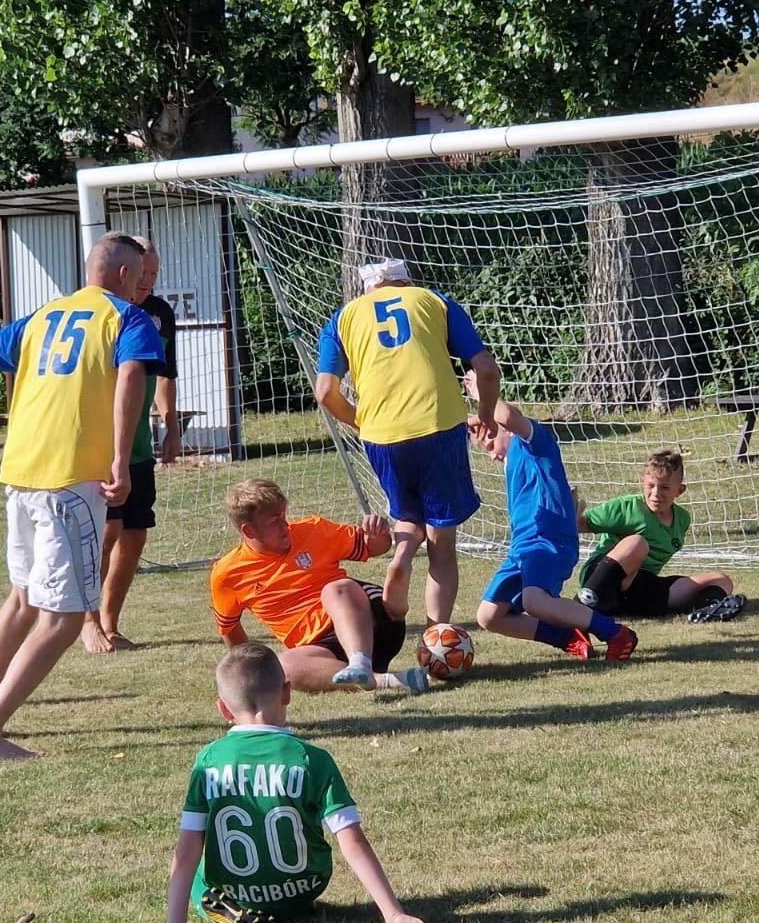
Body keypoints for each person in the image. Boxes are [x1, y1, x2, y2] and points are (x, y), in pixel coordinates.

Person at [0, 232, 165, 761]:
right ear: (125, 275)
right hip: (70, 482)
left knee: (21, 601)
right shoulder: (127, 320)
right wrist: (120, 458)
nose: (143, 286)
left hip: (21, 477)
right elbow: (131, 377)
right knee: (63, 619)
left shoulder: (42, 317)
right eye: (141, 276)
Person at [161, 642, 431, 923]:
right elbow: (352, 841)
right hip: (301, 889)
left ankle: (232, 912)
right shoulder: (312, 759)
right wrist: (393, 915)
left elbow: (187, 850)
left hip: (237, 889)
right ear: (287, 692)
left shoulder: (208, 761)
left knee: (199, 875)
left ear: (224, 709)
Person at [314, 257, 502, 628]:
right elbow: (486, 369)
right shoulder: (434, 301)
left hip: (382, 435)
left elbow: (324, 392)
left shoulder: (342, 318)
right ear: (406, 283)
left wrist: (361, 422)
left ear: (368, 289)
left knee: (406, 516)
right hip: (439, 425)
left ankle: (402, 554)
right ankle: (437, 634)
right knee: (442, 544)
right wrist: (486, 414)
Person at [209, 478, 430, 694]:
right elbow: (229, 628)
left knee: (334, 590)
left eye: (284, 515)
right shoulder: (227, 574)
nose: (285, 526)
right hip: (324, 650)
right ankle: (388, 681)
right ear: (249, 531)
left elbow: (373, 547)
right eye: (274, 521)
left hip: (370, 620)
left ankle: (364, 654)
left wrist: (377, 535)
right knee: (284, 666)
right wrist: (248, 672)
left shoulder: (313, 530)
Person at [471, 395, 638, 662]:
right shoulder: (513, 459)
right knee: (488, 616)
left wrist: (482, 393)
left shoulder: (533, 444)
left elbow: (507, 417)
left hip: (547, 541)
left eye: (491, 444)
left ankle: (616, 633)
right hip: (523, 548)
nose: (491, 455)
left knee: (534, 601)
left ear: (507, 430)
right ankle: (568, 637)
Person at [82, 235, 182, 654]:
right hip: (101, 446)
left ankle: (110, 620)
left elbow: (165, 374)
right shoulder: (103, 313)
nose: (148, 282)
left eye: (154, 275)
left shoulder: (158, 313)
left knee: (136, 532)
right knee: (106, 530)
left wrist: (171, 424)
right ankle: (87, 620)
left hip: (139, 444)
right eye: (143, 274)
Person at [576, 449, 746, 623]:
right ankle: (584, 602)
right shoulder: (626, 507)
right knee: (637, 543)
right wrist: (565, 511)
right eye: (650, 486)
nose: (656, 493)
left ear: (680, 490)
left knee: (721, 580)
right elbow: (579, 524)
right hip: (603, 577)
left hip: (639, 589)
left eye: (664, 487)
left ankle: (706, 611)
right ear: (643, 483)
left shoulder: (682, 519)